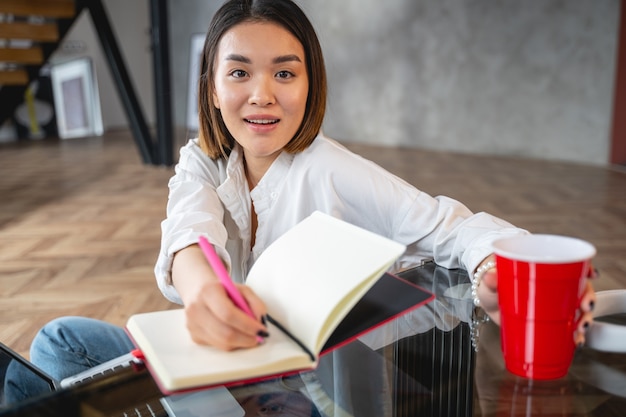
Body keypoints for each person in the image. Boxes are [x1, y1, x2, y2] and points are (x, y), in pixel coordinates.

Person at [14, 0, 595, 399]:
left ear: (309, 82)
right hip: (209, 364)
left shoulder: (335, 170)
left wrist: (495, 265)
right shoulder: (202, 160)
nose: (261, 95)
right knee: (59, 341)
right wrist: (203, 289)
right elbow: (188, 227)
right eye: (239, 73)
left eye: (284, 74)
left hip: (294, 394)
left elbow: (452, 225)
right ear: (213, 88)